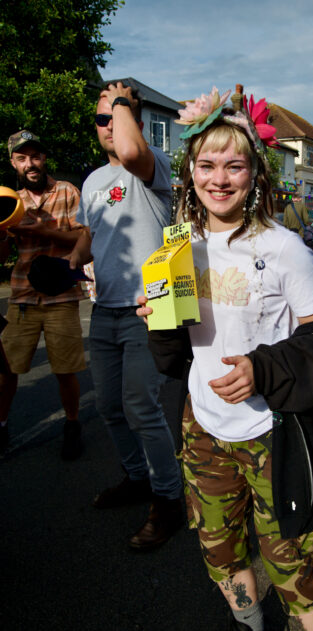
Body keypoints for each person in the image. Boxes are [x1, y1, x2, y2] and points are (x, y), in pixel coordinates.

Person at [137, 87, 313, 631]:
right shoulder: (178, 245)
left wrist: (262, 367)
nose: (220, 179)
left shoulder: (284, 249)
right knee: (220, 554)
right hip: (202, 426)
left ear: (256, 173)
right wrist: (157, 318)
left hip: (269, 432)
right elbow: (173, 357)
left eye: (235, 165)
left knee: (290, 567)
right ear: (189, 173)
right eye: (207, 165)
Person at [69, 81, 183, 550]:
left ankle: (169, 498)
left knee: (141, 407)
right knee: (111, 408)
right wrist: (67, 265)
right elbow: (92, 235)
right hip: (106, 311)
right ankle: (138, 478)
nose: (109, 125)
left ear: (131, 119)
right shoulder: (93, 181)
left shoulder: (151, 165)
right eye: (101, 119)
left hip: (147, 310)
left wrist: (123, 106)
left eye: (117, 115)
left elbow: (131, 150)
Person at [0, 130, 86, 459]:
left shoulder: (67, 191)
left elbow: (84, 240)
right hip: (22, 295)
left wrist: (43, 231)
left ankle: (72, 425)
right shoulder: (10, 201)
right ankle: (2, 425)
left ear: (44, 159)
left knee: (66, 370)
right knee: (6, 370)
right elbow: (2, 254)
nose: (30, 164)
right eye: (22, 158)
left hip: (62, 295)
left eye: (35, 156)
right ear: (14, 163)